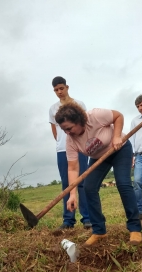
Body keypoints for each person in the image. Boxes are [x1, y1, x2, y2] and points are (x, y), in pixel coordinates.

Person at [55, 102, 142, 246]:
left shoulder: (95, 115)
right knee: (89, 188)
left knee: (123, 183)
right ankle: (99, 231)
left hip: (119, 148)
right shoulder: (70, 140)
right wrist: (72, 195)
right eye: (64, 130)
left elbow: (118, 116)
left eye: (69, 128)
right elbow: (72, 168)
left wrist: (116, 136)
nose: (67, 133)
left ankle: (134, 228)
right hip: (99, 158)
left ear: (79, 120)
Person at [49, 77, 91, 230]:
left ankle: (87, 218)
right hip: (62, 150)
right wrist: (63, 143)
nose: (59, 92)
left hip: (80, 148)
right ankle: (68, 220)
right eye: (56, 90)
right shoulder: (52, 109)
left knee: (82, 182)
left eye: (61, 88)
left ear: (67, 87)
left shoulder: (79, 104)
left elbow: (85, 125)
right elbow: (55, 131)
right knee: (66, 184)